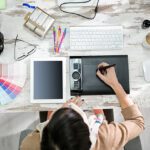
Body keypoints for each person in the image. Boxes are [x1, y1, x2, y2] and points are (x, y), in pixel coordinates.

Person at [20, 62, 144, 150]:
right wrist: (115, 84)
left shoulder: (30, 144)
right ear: (89, 130)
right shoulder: (106, 137)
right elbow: (137, 122)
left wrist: (56, 113)